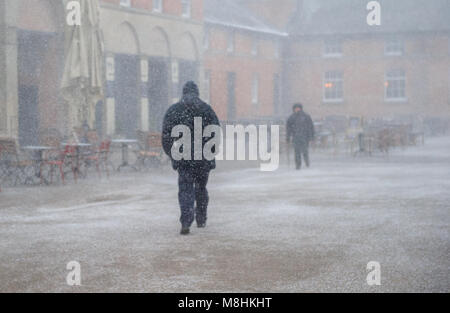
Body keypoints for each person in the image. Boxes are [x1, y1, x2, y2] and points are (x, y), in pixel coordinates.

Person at [162, 81, 220, 235]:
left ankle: (186, 221)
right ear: (197, 92)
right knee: (201, 188)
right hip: (203, 158)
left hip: (184, 158)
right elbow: (216, 132)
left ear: (183, 92)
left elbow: (166, 136)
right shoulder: (206, 109)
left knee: (185, 189)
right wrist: (211, 152)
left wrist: (172, 154)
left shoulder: (174, 110)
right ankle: (201, 218)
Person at [286, 103, 315, 170]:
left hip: (304, 137)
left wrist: (311, 137)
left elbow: (310, 127)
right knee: (297, 152)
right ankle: (298, 165)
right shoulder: (291, 118)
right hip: (296, 137)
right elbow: (288, 129)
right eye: (296, 108)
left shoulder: (306, 116)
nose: (297, 109)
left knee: (305, 151)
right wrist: (288, 137)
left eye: (298, 108)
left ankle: (307, 162)